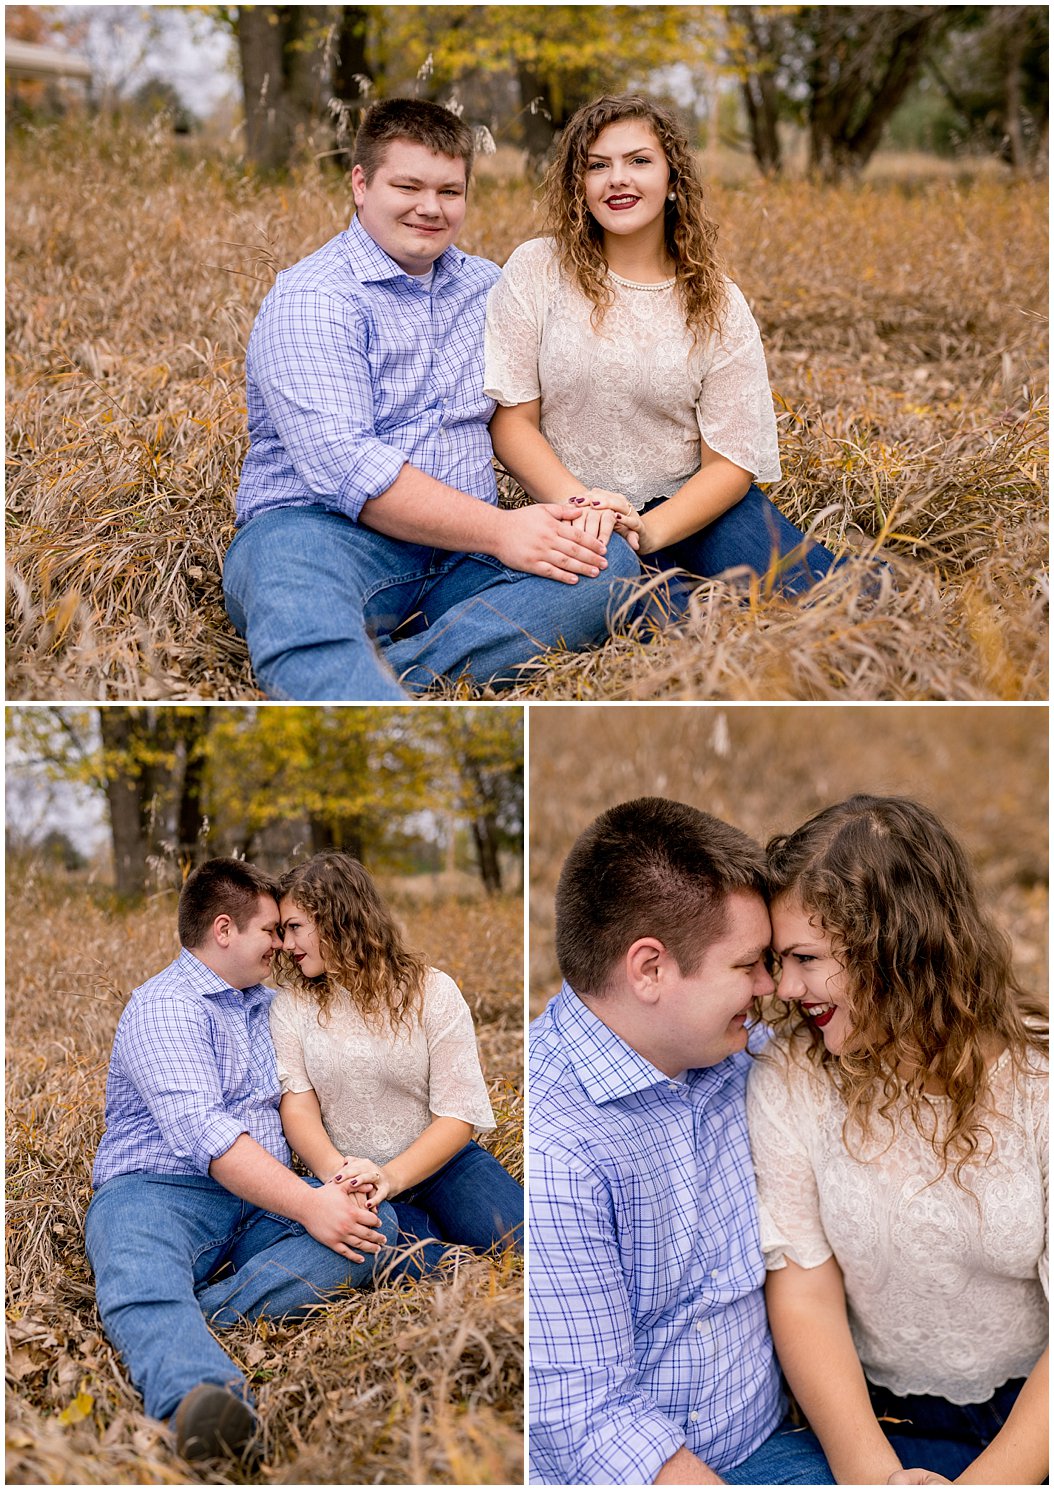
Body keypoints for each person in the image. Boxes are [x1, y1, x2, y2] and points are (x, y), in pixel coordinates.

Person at [223, 97, 640, 702]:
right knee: (295, 596)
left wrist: (579, 503)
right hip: (323, 536)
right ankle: (358, 685)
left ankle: (397, 670)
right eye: (408, 186)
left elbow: (516, 418)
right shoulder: (313, 298)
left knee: (609, 566)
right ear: (361, 184)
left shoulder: (486, 287)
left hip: (460, 556)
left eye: (450, 191)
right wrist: (501, 531)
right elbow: (346, 466)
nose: (430, 208)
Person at [529, 796, 835, 1485]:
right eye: (749, 966)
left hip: (773, 1435)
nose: (773, 987)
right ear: (650, 971)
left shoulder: (733, 1051)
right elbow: (586, 1418)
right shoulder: (562, 1143)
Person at [749, 795, 1048, 1486]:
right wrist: (876, 1478)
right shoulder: (791, 1074)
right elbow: (804, 1294)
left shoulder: (1039, 1083)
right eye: (776, 959)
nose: (785, 987)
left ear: (897, 947)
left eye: (804, 957)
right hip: (878, 1422)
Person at [85, 859, 400, 1465]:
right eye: (270, 931)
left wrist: (329, 1190)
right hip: (158, 1192)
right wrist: (310, 1203)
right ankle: (201, 1401)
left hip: (262, 1201)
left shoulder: (267, 1004)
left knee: (373, 1226)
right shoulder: (165, 1007)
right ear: (224, 930)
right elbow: (207, 1135)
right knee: (138, 1269)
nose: (281, 945)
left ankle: (202, 1311)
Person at [485, 94, 837, 604]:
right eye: (597, 165)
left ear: (673, 180)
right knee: (664, 635)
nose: (617, 179)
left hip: (698, 511)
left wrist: (648, 530)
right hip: (575, 515)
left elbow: (730, 464)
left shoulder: (717, 299)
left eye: (639, 161)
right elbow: (512, 422)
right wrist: (585, 508)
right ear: (578, 186)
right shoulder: (537, 270)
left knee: (831, 600)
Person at [270, 852, 523, 1259]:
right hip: (351, 1181)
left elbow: (457, 1115)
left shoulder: (432, 992)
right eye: (283, 930)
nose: (286, 944)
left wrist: (390, 1176)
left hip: (446, 1168)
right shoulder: (290, 1007)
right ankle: (427, 1235)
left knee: (525, 1249)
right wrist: (341, 1178)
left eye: (295, 927)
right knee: (432, 1261)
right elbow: (297, 1108)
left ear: (338, 919)